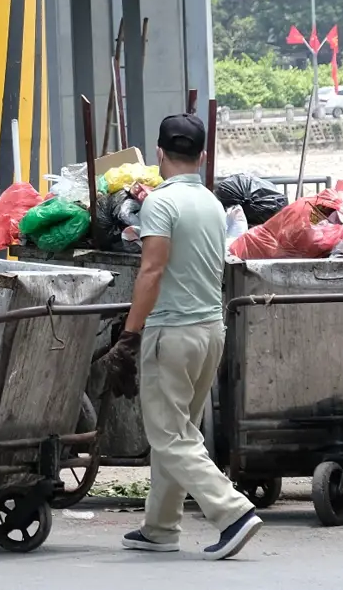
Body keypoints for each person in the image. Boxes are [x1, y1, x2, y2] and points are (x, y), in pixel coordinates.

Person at [97, 114, 261, 560]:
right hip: (211, 332)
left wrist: (129, 337)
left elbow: (151, 270)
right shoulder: (210, 202)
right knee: (181, 430)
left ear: (158, 154)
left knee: (169, 434)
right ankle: (161, 527)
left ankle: (233, 513)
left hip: (172, 332)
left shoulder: (160, 204)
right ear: (202, 156)